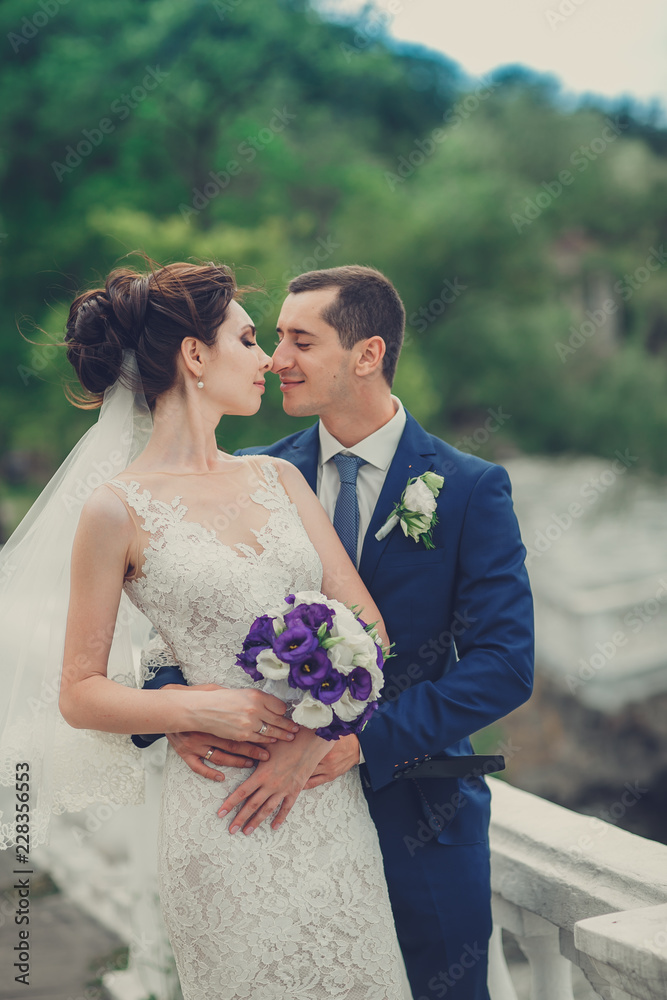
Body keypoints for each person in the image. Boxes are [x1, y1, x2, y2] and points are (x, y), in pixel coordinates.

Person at [3, 261, 411, 1000]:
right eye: (248, 339)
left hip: (322, 802)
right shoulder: (114, 509)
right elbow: (79, 691)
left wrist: (315, 738)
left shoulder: (278, 481)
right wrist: (193, 708)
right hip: (223, 816)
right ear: (194, 356)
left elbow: (367, 629)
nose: (267, 360)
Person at [139, 265, 535, 1000]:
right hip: (272, 824)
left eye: (300, 340)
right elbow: (181, 616)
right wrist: (178, 712)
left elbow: (503, 665)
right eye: (272, 338)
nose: (276, 358)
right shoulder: (253, 473)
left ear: (366, 354)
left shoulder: (470, 488)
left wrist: (352, 741)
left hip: (420, 817)